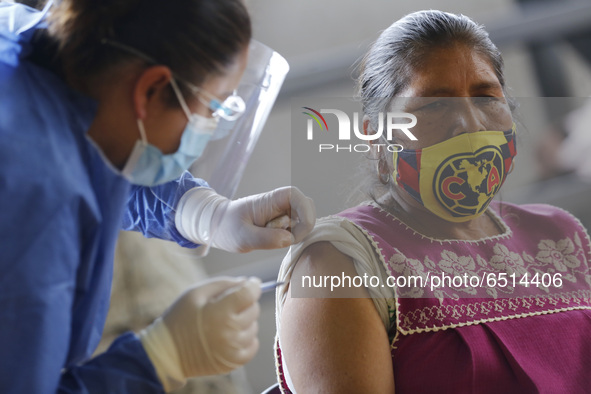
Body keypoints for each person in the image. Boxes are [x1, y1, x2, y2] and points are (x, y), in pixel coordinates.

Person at [0, 0, 315, 393]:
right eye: (214, 106)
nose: (212, 126)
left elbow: (96, 149)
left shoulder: (30, 49)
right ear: (151, 88)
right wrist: (162, 357)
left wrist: (204, 213)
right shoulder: (34, 208)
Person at [274, 10, 591, 393]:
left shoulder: (560, 233)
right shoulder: (340, 262)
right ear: (377, 141)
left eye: (486, 96)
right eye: (433, 105)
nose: (470, 123)